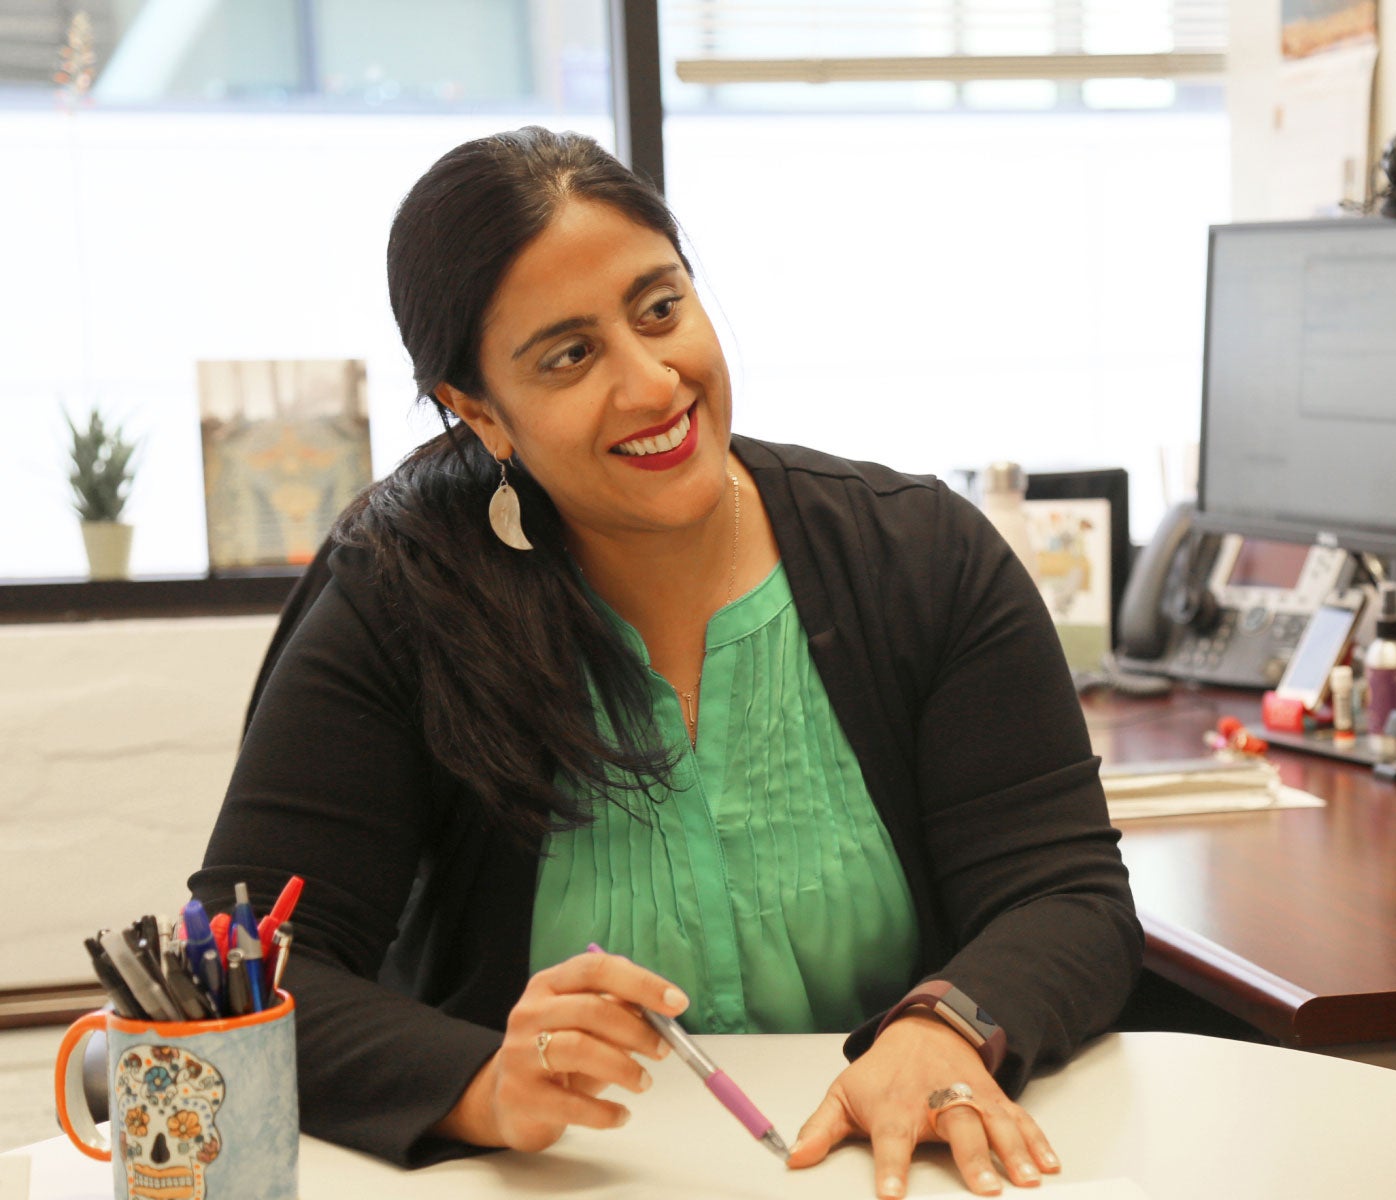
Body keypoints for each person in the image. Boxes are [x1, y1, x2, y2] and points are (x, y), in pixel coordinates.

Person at [190, 127, 1141, 1199]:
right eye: (568, 355)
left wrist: (946, 1025)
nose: (652, 385)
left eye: (658, 310)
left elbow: (1066, 894)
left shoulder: (921, 557)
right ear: (478, 410)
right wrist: (483, 1085)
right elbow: (242, 971)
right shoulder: (402, 604)